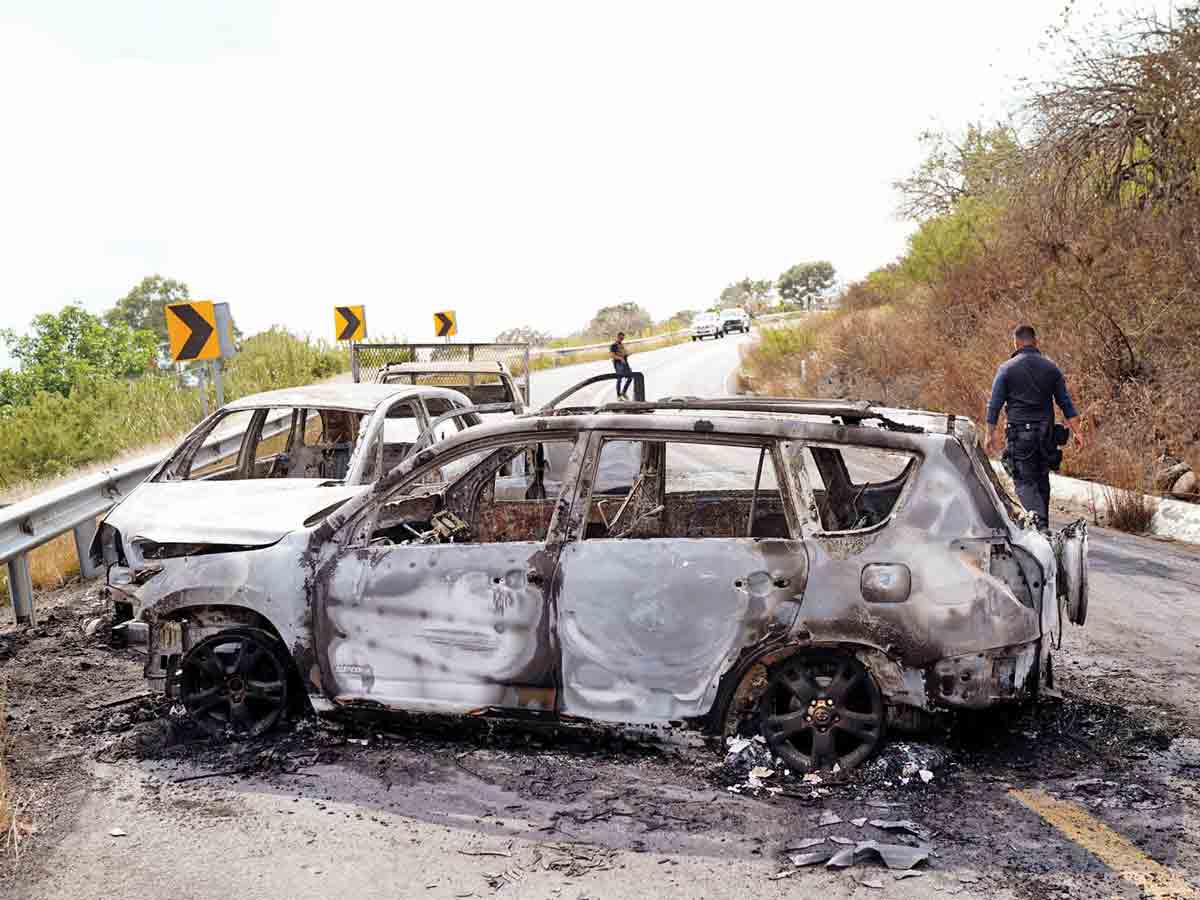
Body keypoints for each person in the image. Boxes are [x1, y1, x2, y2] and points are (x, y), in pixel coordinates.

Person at [984, 324, 1084, 529]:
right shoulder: (1051, 368)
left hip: (1020, 436)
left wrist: (989, 434)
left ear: (1016, 343)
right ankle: (1042, 528)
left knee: (1024, 481)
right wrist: (1078, 432)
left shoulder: (1007, 369)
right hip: (1046, 436)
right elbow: (1065, 403)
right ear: (1035, 342)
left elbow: (994, 404)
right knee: (1041, 480)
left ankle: (1040, 527)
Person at [609, 331, 634, 400]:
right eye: (620, 338)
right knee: (619, 379)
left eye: (622, 338)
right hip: (618, 364)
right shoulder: (613, 345)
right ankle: (618, 396)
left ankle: (623, 392)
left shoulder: (622, 345)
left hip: (625, 363)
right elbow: (612, 355)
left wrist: (628, 354)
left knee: (630, 377)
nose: (621, 339)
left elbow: (624, 353)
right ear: (617, 337)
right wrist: (620, 358)